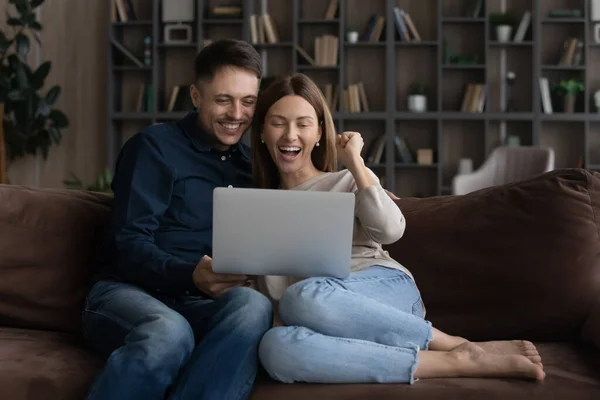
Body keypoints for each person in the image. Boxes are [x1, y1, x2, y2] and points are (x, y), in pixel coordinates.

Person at [251, 72, 546, 384]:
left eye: (303, 123)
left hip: (383, 290)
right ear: (262, 132)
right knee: (274, 349)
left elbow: (391, 230)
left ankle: (451, 342)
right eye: (278, 122)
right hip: (328, 317)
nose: (290, 134)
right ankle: (458, 361)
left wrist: (356, 163)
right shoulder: (253, 209)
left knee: (301, 297)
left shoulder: (347, 180)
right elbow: (267, 297)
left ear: (320, 132)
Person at [82, 39, 273, 400]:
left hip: (201, 303)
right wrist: (189, 274)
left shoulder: (253, 168)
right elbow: (127, 245)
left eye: (248, 101)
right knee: (169, 333)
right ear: (196, 96)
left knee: (254, 306)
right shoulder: (154, 147)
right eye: (223, 99)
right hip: (128, 292)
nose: (237, 113)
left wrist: (359, 189)